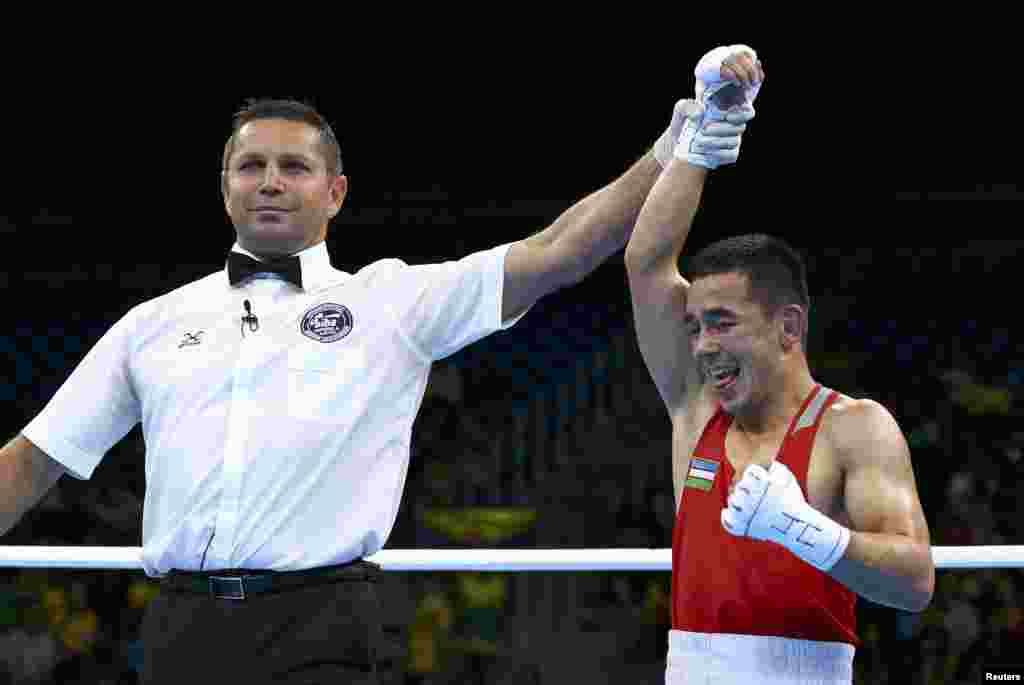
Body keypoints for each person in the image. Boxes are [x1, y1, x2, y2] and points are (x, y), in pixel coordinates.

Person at [0, 76, 747, 684]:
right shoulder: (153, 322)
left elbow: (558, 251)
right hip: (178, 629)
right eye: (250, 166)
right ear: (224, 186)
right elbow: (32, 460)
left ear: (336, 192)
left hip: (323, 623)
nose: (270, 182)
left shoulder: (390, 300)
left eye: (294, 167)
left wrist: (675, 145)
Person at [623, 48, 936, 684]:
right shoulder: (697, 408)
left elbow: (914, 582)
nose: (704, 345)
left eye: (722, 324)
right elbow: (646, 264)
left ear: (788, 327)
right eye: (697, 325)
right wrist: (703, 139)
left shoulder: (854, 427)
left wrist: (803, 531)